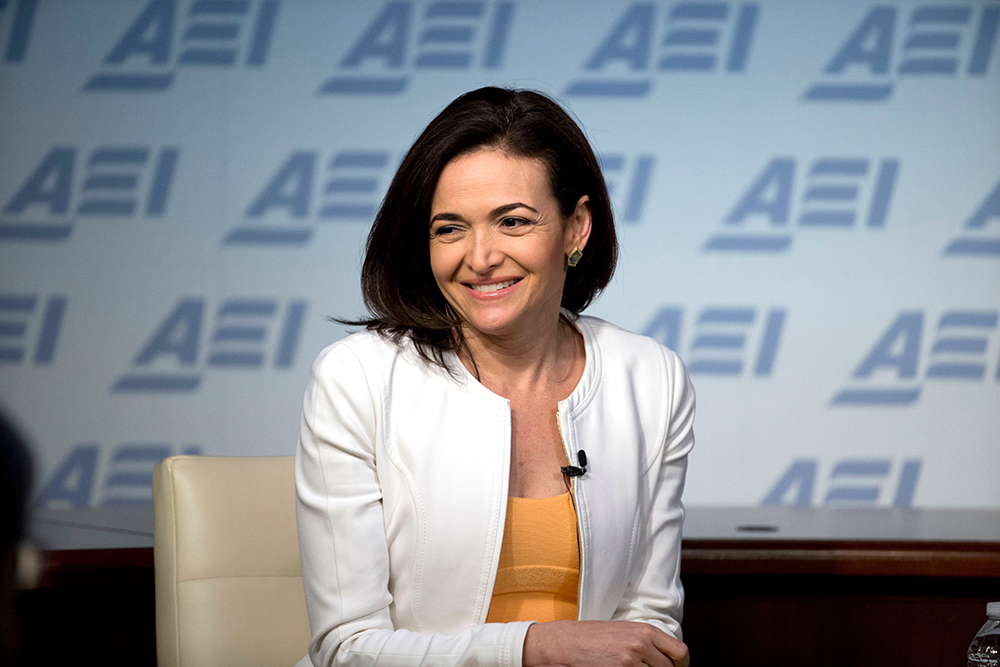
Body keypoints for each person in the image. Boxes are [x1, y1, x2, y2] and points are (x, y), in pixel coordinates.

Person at [295, 87, 695, 667]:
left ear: (576, 228)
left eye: (513, 221)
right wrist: (532, 649)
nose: (480, 257)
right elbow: (347, 648)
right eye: (450, 229)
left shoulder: (652, 379)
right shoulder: (356, 378)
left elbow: (648, 622)